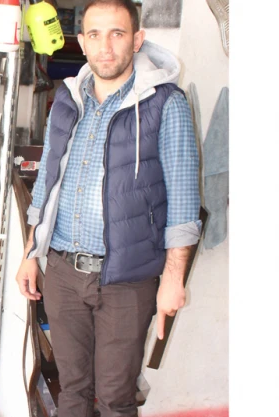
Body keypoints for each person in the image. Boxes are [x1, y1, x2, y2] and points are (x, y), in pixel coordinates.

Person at [15, 1, 201, 416]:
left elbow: (184, 201)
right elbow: (46, 184)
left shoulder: (165, 103)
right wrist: (30, 254)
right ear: (82, 42)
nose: (106, 46)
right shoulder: (66, 101)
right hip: (63, 272)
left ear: (137, 39)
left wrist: (173, 280)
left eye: (117, 34)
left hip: (126, 280)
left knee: (116, 398)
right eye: (95, 35)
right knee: (72, 390)